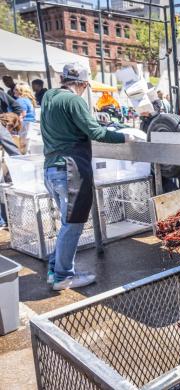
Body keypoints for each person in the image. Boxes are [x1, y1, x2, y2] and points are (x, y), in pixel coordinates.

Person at [41, 63, 139, 291]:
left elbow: (69, 125)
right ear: (83, 84)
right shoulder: (74, 100)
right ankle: (63, 277)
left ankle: (54, 270)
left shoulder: (49, 96)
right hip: (69, 170)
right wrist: (126, 137)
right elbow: (95, 132)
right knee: (73, 224)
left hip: (51, 169)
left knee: (67, 224)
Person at [0, 113, 22, 229]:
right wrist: (24, 162)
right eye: (12, 128)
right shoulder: (1, 129)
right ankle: (3, 221)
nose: (11, 131)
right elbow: (13, 150)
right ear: (8, 123)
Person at [15, 84, 37, 154]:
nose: (13, 91)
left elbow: (22, 114)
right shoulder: (27, 100)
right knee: (28, 144)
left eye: (15, 89)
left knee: (23, 145)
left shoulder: (20, 100)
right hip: (30, 123)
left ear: (20, 91)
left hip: (24, 124)